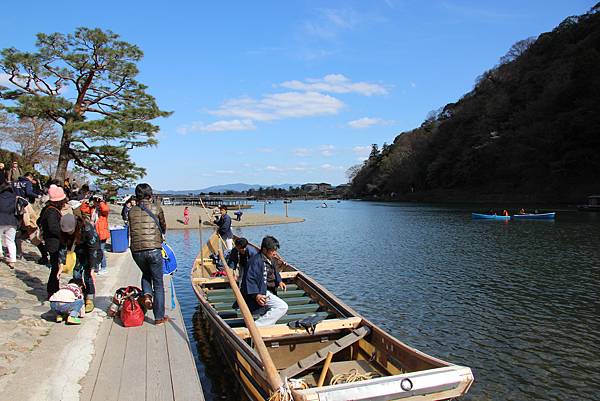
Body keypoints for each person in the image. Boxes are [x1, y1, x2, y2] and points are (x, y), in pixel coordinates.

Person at [128, 183, 169, 325]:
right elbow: (163, 226)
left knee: (146, 273)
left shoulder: (131, 211)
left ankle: (146, 295)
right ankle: (159, 317)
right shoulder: (157, 208)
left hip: (136, 250)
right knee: (158, 283)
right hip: (153, 249)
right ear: (150, 195)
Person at [240, 235, 288, 327]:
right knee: (282, 307)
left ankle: (267, 324)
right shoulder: (254, 262)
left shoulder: (271, 259)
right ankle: (257, 326)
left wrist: (279, 281)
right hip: (261, 291)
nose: (275, 253)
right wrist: (256, 295)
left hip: (269, 289)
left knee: (279, 308)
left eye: (275, 251)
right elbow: (249, 280)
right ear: (265, 250)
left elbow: (275, 271)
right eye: (272, 251)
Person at [60, 213, 100, 313]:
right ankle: (80, 295)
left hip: (90, 253)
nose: (69, 233)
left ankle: (90, 299)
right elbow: (62, 246)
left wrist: (92, 268)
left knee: (88, 277)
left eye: (70, 231)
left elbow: (93, 248)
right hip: (77, 253)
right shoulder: (63, 232)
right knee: (76, 274)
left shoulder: (87, 229)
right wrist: (61, 264)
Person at [38, 185, 67, 298]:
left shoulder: (47, 209)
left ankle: (54, 288)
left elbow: (38, 221)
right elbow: (53, 228)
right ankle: (52, 290)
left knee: (55, 267)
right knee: (55, 268)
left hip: (50, 241)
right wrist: (64, 234)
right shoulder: (52, 212)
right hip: (54, 243)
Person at [80, 194, 110, 274]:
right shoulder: (92, 209)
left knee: (101, 250)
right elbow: (83, 209)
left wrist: (101, 201)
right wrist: (87, 202)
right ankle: (96, 266)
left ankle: (103, 267)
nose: (96, 202)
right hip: (94, 233)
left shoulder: (103, 211)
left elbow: (105, 209)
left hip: (102, 233)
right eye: (95, 201)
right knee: (94, 250)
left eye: (97, 201)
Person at [0, 176, 18, 269]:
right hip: (12, 221)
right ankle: (12, 261)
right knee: (11, 241)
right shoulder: (15, 198)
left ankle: (0, 253)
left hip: (1, 220)